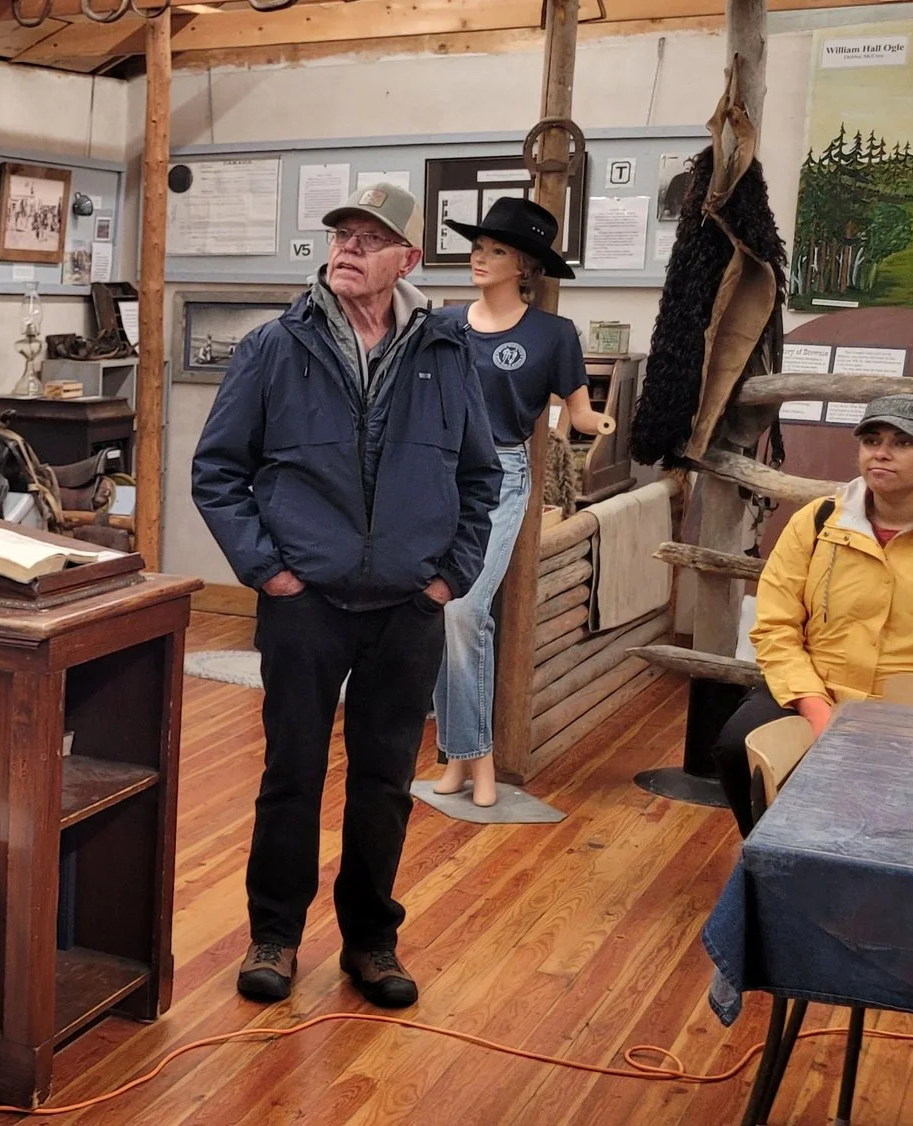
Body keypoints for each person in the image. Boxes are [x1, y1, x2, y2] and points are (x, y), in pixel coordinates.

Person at [191, 182, 502, 1010]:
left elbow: (482, 476)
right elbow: (217, 472)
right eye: (341, 235)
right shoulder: (273, 347)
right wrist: (270, 572)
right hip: (306, 601)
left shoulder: (447, 351)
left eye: (371, 237)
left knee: (385, 780)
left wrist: (448, 578)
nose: (349, 249)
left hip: (407, 607)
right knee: (289, 772)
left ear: (409, 259)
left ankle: (371, 941)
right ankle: (275, 936)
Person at [429, 198, 612, 807]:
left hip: (502, 475)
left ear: (526, 266)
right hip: (436, 476)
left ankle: (476, 759)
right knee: (435, 612)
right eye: (478, 247)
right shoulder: (443, 323)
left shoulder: (552, 334)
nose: (481, 257)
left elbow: (576, 406)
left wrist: (592, 421)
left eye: (497, 250)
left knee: (463, 611)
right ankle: (459, 760)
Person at [718, 394, 913, 831]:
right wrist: (814, 706)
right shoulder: (818, 522)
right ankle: (771, 859)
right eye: (872, 440)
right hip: (820, 685)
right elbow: (775, 625)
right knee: (737, 746)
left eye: (905, 442)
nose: (882, 452)